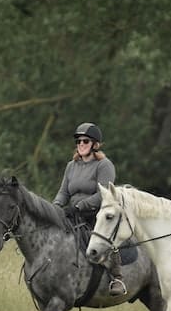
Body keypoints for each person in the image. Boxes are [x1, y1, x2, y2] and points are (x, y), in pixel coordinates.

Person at [53, 122, 126, 296]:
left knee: (103, 237)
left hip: (96, 213)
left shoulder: (104, 165)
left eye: (85, 141)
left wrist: (79, 206)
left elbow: (104, 194)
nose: (81, 144)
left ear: (95, 144)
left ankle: (117, 277)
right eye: (78, 141)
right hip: (73, 213)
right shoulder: (71, 166)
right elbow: (63, 192)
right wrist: (55, 207)